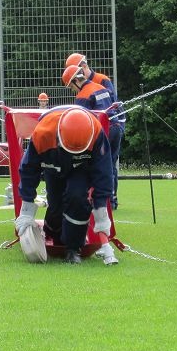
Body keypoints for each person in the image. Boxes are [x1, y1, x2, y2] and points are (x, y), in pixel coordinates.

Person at [15, 106, 113, 264]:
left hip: (81, 167)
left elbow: (104, 173)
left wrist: (101, 213)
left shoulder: (96, 134)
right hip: (53, 162)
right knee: (55, 204)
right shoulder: (42, 134)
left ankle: (73, 249)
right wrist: (26, 210)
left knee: (77, 198)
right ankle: (52, 232)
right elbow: (28, 170)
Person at [65, 53, 125, 209]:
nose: (73, 90)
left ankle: (100, 201)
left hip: (105, 131)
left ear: (76, 80)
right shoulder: (99, 86)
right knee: (110, 166)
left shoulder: (84, 95)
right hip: (115, 127)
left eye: (71, 87)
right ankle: (110, 201)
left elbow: (82, 121)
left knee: (99, 166)